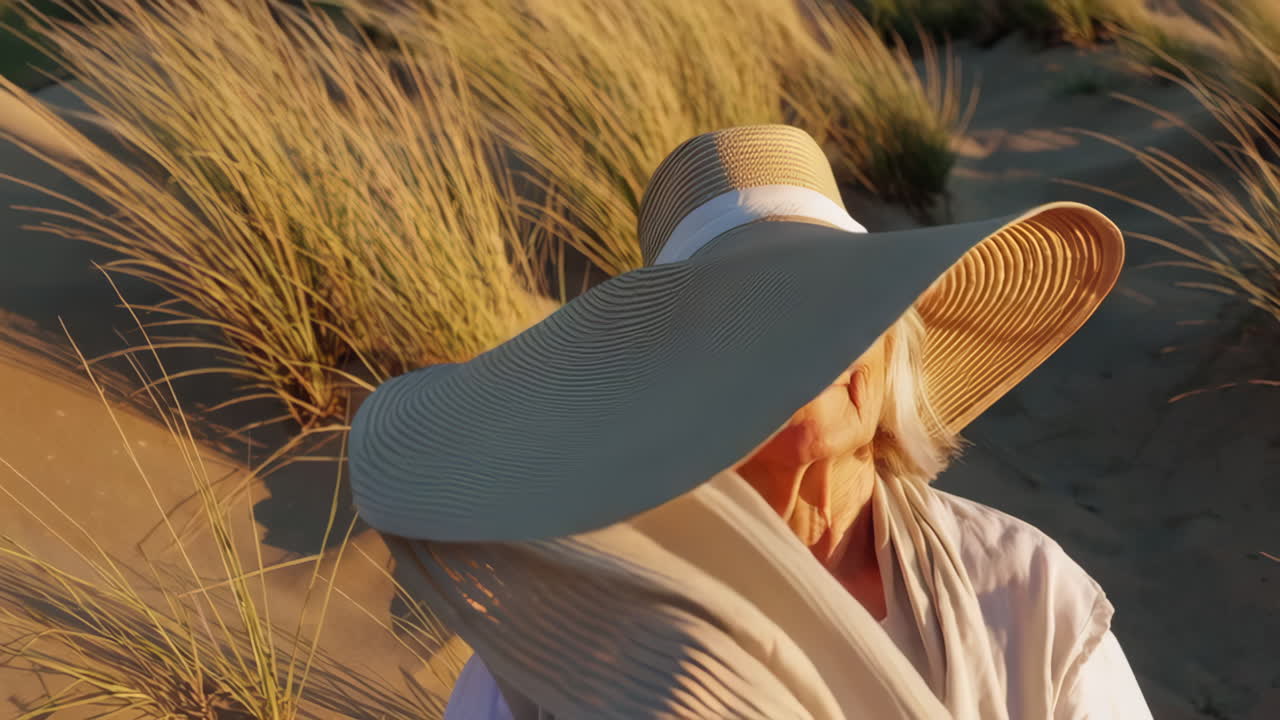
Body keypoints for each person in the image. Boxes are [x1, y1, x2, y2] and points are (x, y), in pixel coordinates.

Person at [348, 124, 1153, 719]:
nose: (816, 346)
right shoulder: (568, 627)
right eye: (754, 316)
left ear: (894, 343)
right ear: (686, 383)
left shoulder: (1021, 592)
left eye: (843, 303)